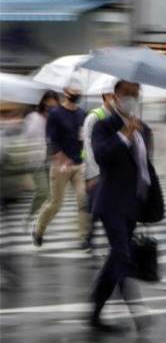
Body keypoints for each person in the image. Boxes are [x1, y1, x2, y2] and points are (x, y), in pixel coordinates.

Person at [89, 80, 161, 333]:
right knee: (121, 254)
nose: (132, 98)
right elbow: (102, 156)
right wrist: (125, 134)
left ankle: (95, 311)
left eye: (136, 94)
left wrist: (149, 199)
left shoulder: (144, 129)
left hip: (133, 205)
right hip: (111, 203)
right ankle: (136, 309)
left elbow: (144, 167)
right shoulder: (104, 125)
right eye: (127, 94)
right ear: (114, 96)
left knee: (116, 259)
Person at [32, 82, 90, 248]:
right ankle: (39, 230)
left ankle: (83, 237)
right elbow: (50, 140)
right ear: (65, 92)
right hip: (61, 166)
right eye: (74, 90)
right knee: (56, 203)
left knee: (83, 200)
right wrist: (62, 158)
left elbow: (84, 139)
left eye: (79, 89)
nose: (77, 92)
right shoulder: (55, 114)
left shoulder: (82, 113)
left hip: (79, 165)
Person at [81, 78, 117, 252]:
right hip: (97, 171)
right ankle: (88, 238)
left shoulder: (118, 117)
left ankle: (96, 238)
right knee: (96, 206)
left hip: (111, 170)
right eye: (111, 95)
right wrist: (92, 174)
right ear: (105, 97)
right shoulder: (94, 117)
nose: (115, 98)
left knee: (107, 205)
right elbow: (87, 146)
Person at [23, 90, 59, 224]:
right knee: (43, 192)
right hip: (35, 159)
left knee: (51, 195)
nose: (51, 107)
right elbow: (27, 136)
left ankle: (42, 221)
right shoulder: (33, 117)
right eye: (49, 104)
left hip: (51, 159)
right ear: (43, 102)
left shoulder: (55, 118)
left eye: (54, 105)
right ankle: (30, 216)